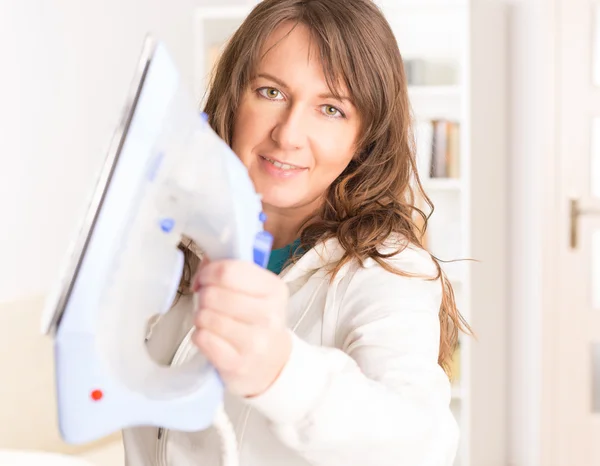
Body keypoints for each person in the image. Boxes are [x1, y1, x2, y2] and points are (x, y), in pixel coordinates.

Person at [123, 0, 471, 464]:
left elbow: (420, 443)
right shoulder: (179, 241)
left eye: (330, 109)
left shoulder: (389, 272)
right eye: (270, 92)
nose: (288, 134)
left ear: (363, 138)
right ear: (233, 97)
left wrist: (280, 372)